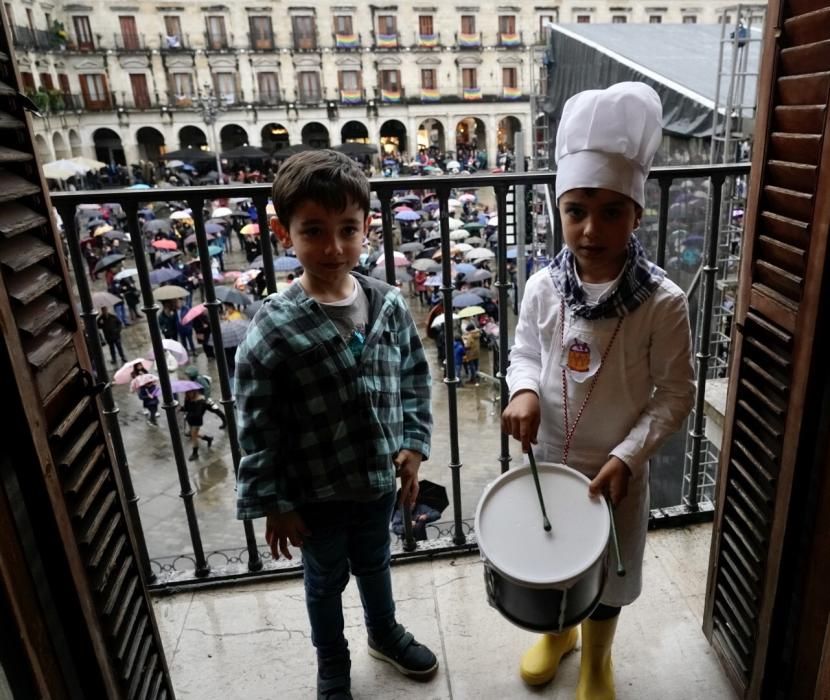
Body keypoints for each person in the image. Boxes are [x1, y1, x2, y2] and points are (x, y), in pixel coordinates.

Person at [500, 82, 695, 699]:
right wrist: (524, 388)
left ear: (638, 215)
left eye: (612, 211)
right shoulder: (541, 288)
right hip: (549, 459)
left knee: (610, 571)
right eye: (576, 209)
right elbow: (524, 352)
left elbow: (675, 393)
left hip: (616, 470)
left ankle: (596, 658)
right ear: (558, 211)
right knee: (551, 558)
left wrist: (627, 455)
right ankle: (559, 635)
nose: (591, 228)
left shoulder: (663, 304)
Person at [234, 150, 437, 700]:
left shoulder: (389, 305)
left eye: (347, 229)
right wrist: (273, 500)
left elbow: (416, 379)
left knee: (375, 561)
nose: (332, 247)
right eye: (314, 231)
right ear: (284, 233)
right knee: (324, 581)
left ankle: (384, 632)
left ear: (366, 229)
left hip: (375, 480)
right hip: (315, 490)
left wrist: (413, 447)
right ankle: (332, 662)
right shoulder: (273, 327)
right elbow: (256, 421)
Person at [181, 389, 213, 461]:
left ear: (195, 392)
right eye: (187, 393)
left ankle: (195, 453)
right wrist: (181, 408)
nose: (189, 394)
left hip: (196, 421)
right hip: (190, 420)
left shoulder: (200, 401)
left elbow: (198, 413)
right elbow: (186, 408)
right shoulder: (187, 398)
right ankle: (208, 438)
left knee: (193, 437)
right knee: (194, 434)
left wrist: (192, 407)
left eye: (190, 392)